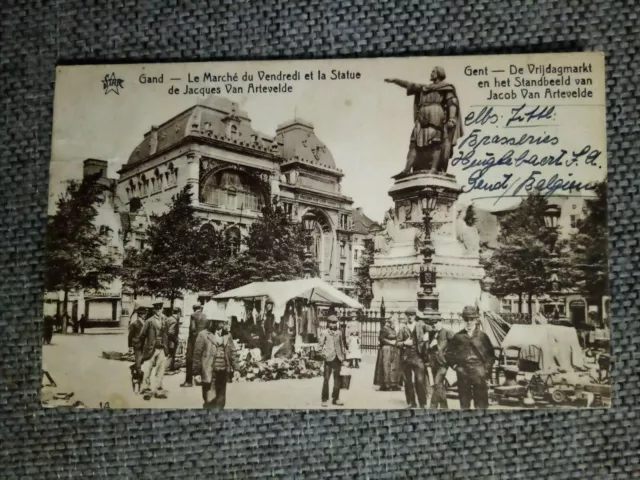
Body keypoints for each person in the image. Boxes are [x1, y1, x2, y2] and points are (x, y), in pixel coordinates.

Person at [385, 66, 463, 175]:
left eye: (434, 71)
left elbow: (452, 103)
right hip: (421, 120)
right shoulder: (424, 88)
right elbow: (409, 84)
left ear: (439, 73)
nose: (431, 73)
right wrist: (395, 80)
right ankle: (407, 169)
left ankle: (434, 168)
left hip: (436, 117)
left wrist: (451, 119)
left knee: (436, 142)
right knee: (414, 142)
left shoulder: (446, 88)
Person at [445, 306, 495, 410]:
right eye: (466, 319)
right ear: (463, 320)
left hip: (479, 370)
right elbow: (448, 353)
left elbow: (490, 355)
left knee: (481, 402)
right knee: (464, 401)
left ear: (476, 320)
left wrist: (486, 369)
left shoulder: (482, 336)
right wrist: (455, 366)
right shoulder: (458, 336)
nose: (469, 322)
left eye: (471, 319)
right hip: (463, 371)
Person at [193, 318, 238, 409]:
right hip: (209, 371)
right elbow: (197, 354)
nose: (217, 323)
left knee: (221, 400)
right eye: (215, 321)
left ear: (224, 322)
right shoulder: (203, 335)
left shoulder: (227, 335)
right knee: (210, 400)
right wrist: (196, 372)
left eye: (220, 321)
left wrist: (236, 368)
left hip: (223, 371)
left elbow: (233, 352)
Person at [397, 307, 430, 408]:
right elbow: (397, 343)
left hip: (418, 357)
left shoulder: (420, 325)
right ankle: (411, 402)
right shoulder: (402, 328)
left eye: (412, 315)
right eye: (408, 315)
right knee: (408, 382)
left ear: (415, 316)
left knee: (420, 381)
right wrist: (404, 343)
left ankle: (423, 403)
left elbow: (432, 329)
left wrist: (427, 336)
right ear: (406, 316)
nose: (410, 317)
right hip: (406, 358)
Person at [137, 300, 169, 400]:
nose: (159, 310)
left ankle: (158, 390)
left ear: (162, 309)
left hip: (162, 348)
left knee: (161, 370)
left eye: (161, 308)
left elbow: (167, 334)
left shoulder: (165, 319)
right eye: (157, 309)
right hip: (150, 349)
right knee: (147, 369)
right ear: (154, 310)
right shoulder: (149, 321)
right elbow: (142, 335)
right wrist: (141, 349)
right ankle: (146, 390)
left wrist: (167, 346)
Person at [318, 314, 347, 407]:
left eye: (335, 323)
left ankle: (336, 398)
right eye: (331, 323)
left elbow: (342, 345)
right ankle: (324, 399)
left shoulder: (339, 332)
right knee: (326, 379)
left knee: (337, 380)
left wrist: (343, 357)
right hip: (328, 359)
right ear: (328, 323)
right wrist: (324, 354)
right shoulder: (324, 333)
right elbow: (319, 346)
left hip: (338, 358)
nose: (333, 325)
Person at [428, 316, 454, 408]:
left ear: (441, 322)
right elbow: (429, 348)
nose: (434, 325)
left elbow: (454, 346)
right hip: (434, 363)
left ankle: (433, 406)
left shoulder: (447, 332)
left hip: (443, 363)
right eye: (432, 324)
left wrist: (448, 357)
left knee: (437, 383)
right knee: (440, 386)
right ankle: (444, 406)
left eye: (435, 323)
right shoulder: (432, 333)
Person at [373, 315, 402, 391]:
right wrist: (390, 342)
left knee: (394, 366)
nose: (395, 322)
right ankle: (386, 384)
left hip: (394, 349)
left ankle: (394, 384)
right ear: (390, 322)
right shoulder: (385, 329)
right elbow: (381, 338)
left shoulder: (395, 329)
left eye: (395, 321)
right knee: (386, 367)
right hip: (386, 350)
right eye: (394, 321)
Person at [181, 304, 208, 388]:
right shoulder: (205, 316)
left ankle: (188, 381)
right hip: (204, 340)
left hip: (194, 340)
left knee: (189, 360)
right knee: (202, 359)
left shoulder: (193, 316)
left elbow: (192, 329)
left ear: (194, 309)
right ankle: (201, 379)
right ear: (201, 309)